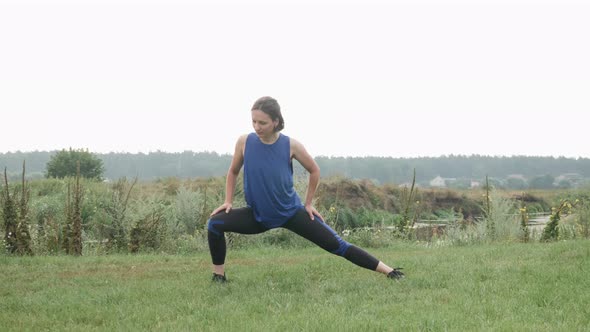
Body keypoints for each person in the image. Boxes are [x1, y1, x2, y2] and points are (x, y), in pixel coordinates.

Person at [207, 96, 404, 282]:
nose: (257, 127)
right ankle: (219, 277)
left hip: (291, 213)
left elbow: (314, 170)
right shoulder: (244, 142)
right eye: (254, 122)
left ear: (276, 121)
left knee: (337, 245)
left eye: (262, 123)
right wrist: (228, 201)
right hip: (257, 215)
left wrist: (308, 203)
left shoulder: (291, 145)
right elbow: (232, 172)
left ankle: (390, 272)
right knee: (215, 224)